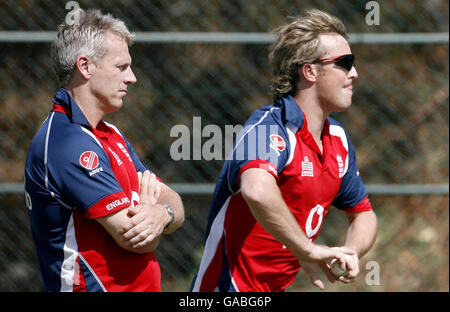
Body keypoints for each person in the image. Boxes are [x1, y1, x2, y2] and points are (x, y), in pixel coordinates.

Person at [191, 9, 377, 292]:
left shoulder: (337, 138)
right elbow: (256, 189)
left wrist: (350, 251)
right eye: (344, 63)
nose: (354, 72)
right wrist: (307, 249)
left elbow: (363, 214)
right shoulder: (265, 126)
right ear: (310, 71)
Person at [24, 9, 184, 292]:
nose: (132, 78)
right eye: (121, 67)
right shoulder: (67, 143)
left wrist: (162, 214)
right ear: (85, 66)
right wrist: (155, 218)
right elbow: (134, 239)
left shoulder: (111, 135)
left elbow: (173, 201)